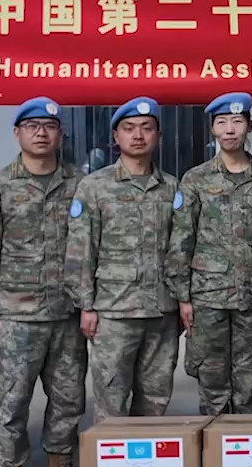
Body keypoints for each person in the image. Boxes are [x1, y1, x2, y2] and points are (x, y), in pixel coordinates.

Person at [0, 96, 85, 467]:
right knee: (11, 400)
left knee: (69, 398)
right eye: (32, 126)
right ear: (17, 133)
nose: (41, 133)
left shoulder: (79, 183)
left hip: (67, 311)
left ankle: (60, 466)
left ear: (59, 134)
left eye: (49, 127)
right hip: (17, 313)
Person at [67, 97, 181, 420]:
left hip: (161, 311)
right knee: (111, 400)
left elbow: (180, 248)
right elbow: (80, 249)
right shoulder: (95, 187)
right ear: (115, 137)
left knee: (156, 399)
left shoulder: (171, 188)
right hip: (113, 311)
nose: (138, 135)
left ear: (158, 135)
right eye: (129, 129)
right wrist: (85, 305)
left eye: (146, 128)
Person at [168, 93, 252, 414]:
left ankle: (246, 458)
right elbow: (181, 240)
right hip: (208, 297)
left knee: (249, 381)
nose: (230, 129)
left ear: (249, 126)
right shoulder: (196, 179)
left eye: (237, 122)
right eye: (222, 122)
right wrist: (182, 298)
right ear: (213, 129)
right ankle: (214, 457)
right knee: (211, 383)